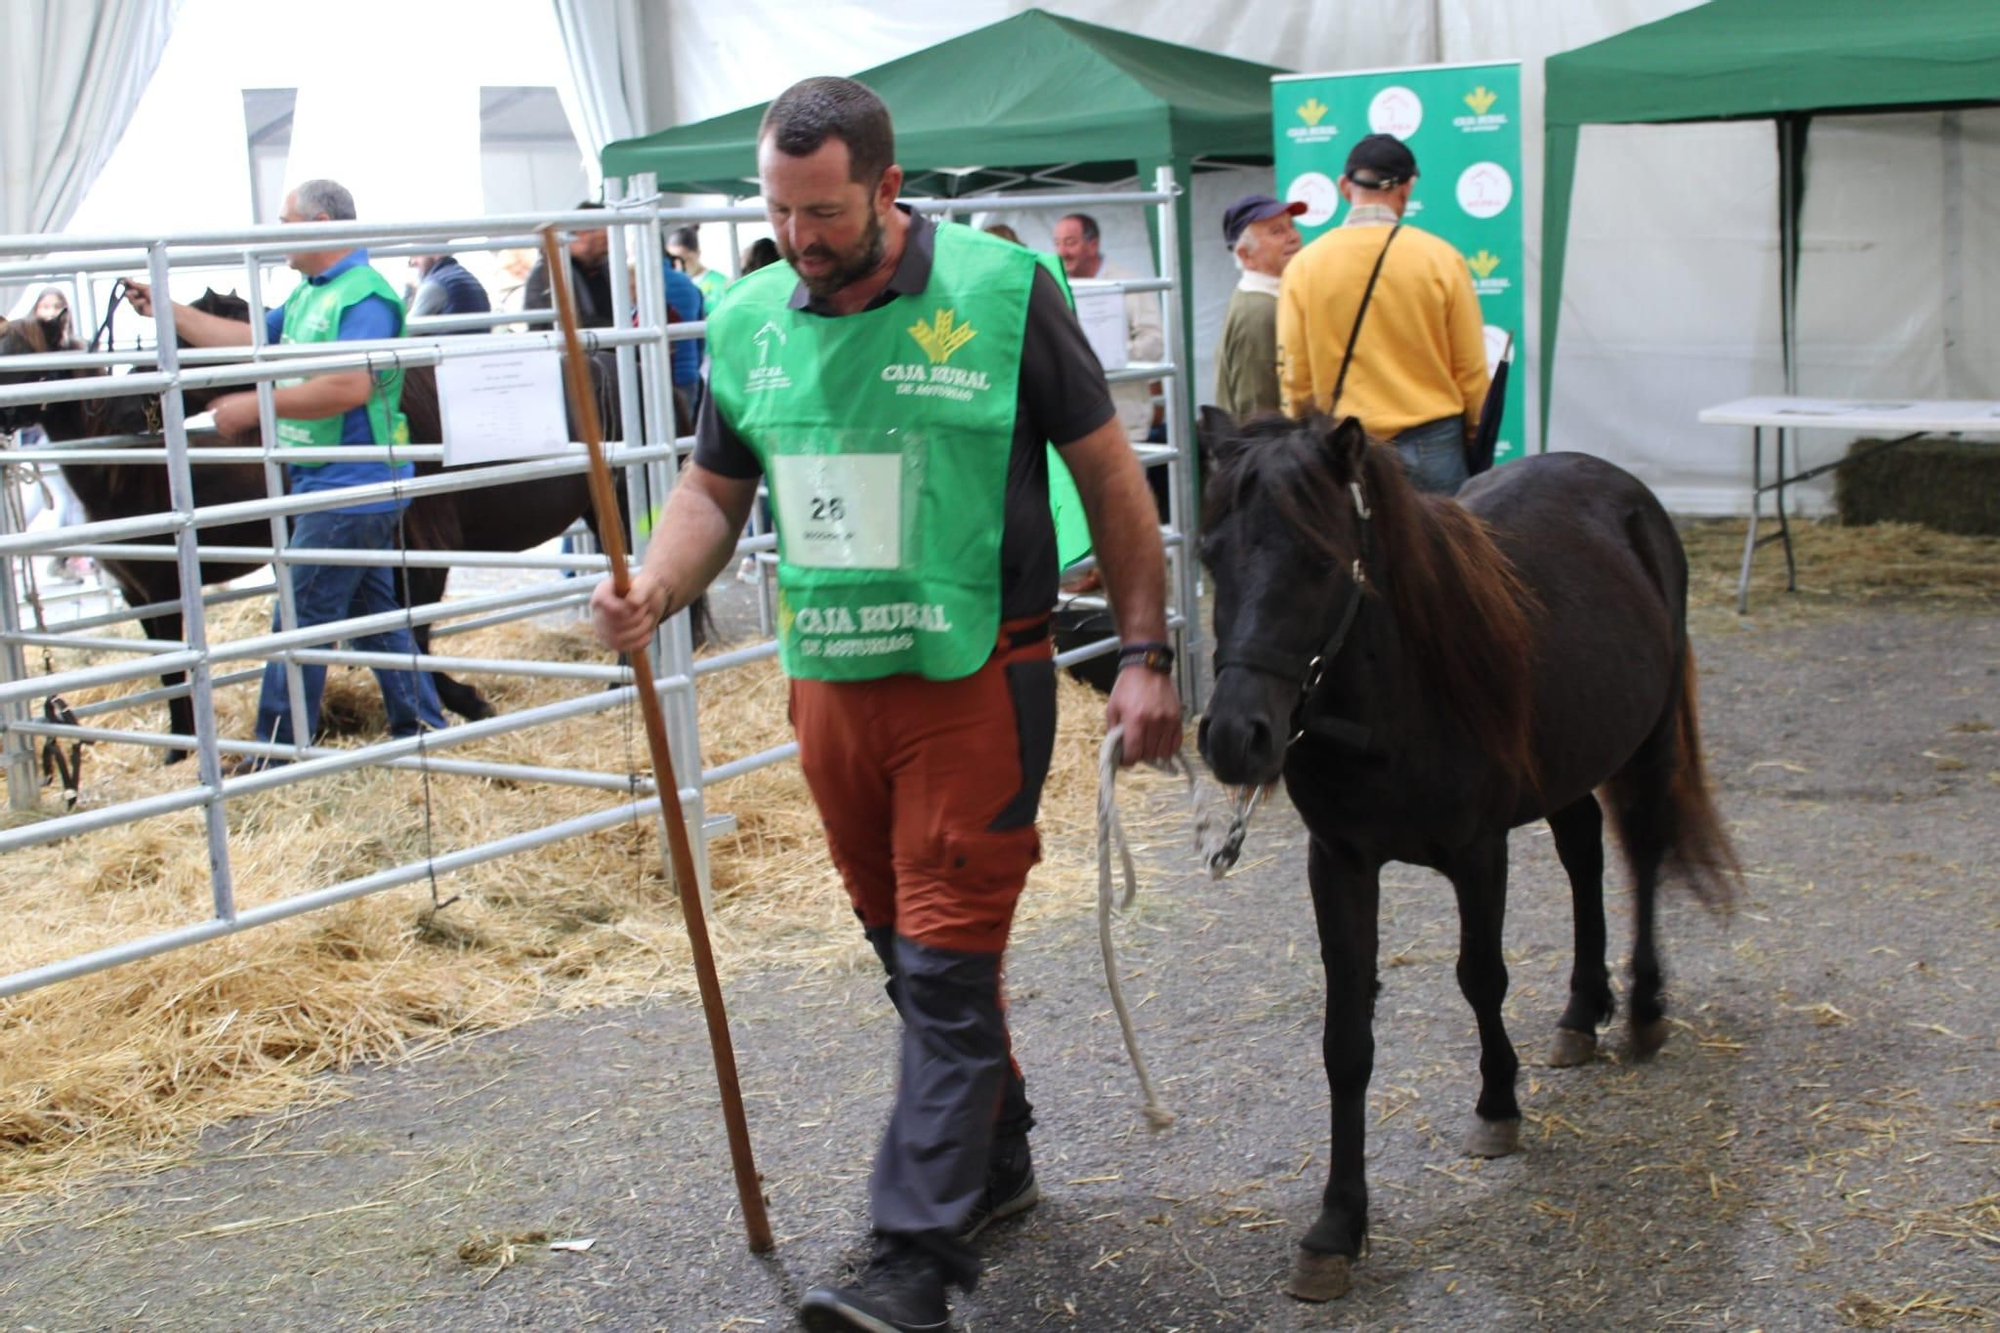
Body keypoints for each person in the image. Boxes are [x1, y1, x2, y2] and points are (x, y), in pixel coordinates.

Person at [590, 75, 1181, 1333]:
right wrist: (653, 582)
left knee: (948, 966)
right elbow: (712, 488)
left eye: (822, 210)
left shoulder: (999, 292)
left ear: (886, 188)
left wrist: (1144, 650)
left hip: (981, 675)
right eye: (777, 208)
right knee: (900, 958)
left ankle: (915, 1262)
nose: (798, 235)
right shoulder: (748, 312)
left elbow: (1109, 480)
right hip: (830, 689)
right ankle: (997, 1157)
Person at [124, 178, 446, 771]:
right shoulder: (310, 296)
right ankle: (423, 724)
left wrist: (255, 405)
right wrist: (166, 310)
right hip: (331, 482)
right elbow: (251, 341)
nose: (275, 234)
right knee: (374, 616)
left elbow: (349, 384)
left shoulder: (365, 297)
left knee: (298, 619)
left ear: (322, 225)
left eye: (285, 221)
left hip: (354, 485)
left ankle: (274, 752)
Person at [1277, 133, 1489, 494]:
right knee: (1441, 550)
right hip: (1433, 441)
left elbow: (1295, 376)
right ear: (1407, 189)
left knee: (1354, 551)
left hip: (1344, 446)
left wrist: (1304, 431)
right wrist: (1474, 435)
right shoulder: (1441, 258)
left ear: (1345, 186)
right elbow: (1469, 369)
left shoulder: (1304, 266)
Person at [1052, 212, 1165, 443]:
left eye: (1070, 242)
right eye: (1057, 243)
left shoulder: (1130, 284)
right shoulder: (1054, 288)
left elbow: (1155, 343)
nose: (1062, 251)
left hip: (1123, 418)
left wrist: (1106, 356)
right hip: (1072, 422)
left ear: (1093, 245)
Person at [1213, 194, 1305, 420]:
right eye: (1277, 231)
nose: (1293, 236)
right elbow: (1257, 412)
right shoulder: (1259, 311)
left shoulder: (1265, 300)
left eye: (1291, 226)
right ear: (1246, 256)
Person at [524, 201, 615, 328]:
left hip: (603, 343)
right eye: (606, 237)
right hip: (582, 345)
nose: (610, 244)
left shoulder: (603, 269)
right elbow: (563, 325)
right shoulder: (548, 272)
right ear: (582, 232)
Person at [407, 253, 492, 327]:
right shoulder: (464, 276)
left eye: (416, 255)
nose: (412, 262)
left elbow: (405, 331)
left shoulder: (436, 285)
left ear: (434, 252)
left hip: (447, 344)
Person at [666, 225, 729, 313]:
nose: (679, 266)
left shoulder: (721, 284)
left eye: (684, 260)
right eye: (673, 260)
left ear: (698, 253)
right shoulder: (670, 284)